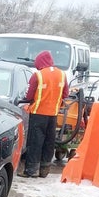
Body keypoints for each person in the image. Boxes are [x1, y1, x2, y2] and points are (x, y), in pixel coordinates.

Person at [19, 50, 69, 178]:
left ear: (40, 63)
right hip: (53, 114)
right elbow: (65, 94)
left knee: (35, 142)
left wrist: (27, 102)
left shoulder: (38, 75)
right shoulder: (62, 75)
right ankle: (44, 169)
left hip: (38, 113)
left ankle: (31, 170)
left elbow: (29, 95)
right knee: (49, 142)